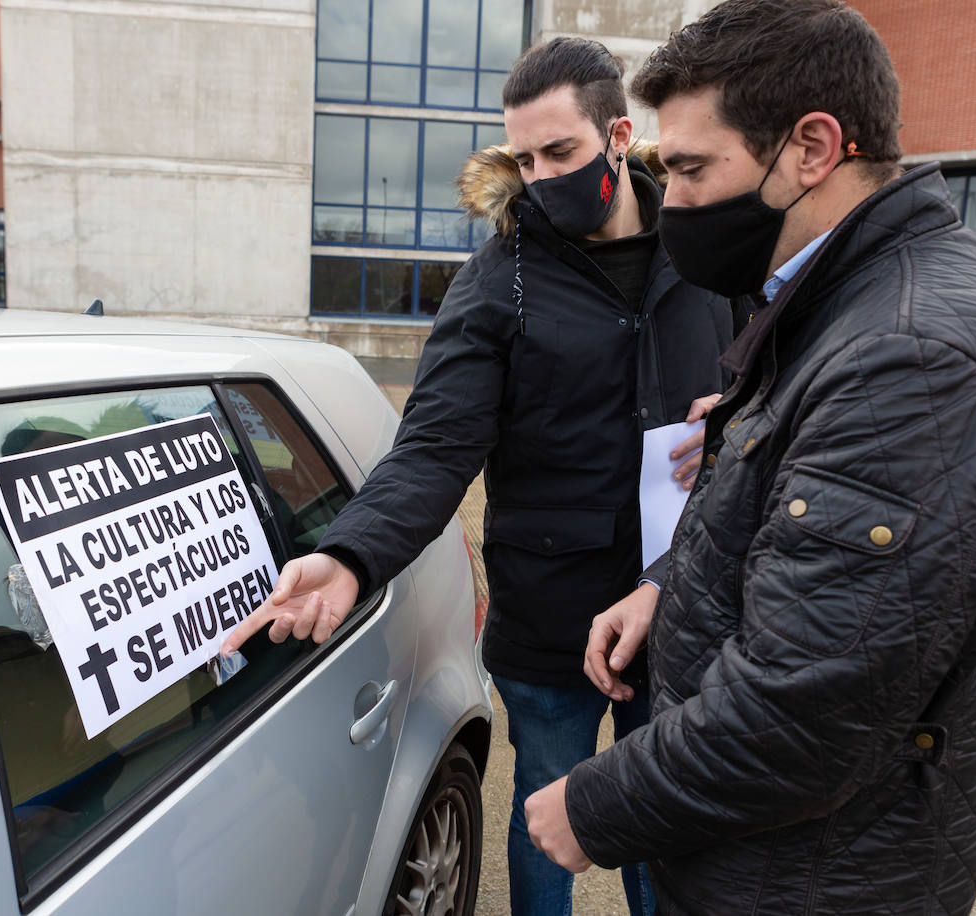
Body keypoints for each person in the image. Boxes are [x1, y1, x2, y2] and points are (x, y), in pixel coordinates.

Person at [521, 2, 976, 913]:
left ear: (813, 148)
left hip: (811, 879)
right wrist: (666, 585)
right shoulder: (846, 304)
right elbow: (796, 539)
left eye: (695, 169)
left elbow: (805, 710)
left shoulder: (913, 361)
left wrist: (596, 805)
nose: (679, 204)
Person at [223, 36, 732, 915]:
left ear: (618, 135)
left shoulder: (705, 251)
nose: (540, 178)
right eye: (524, 158)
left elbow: (779, 362)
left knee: (663, 816)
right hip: (550, 619)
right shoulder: (499, 282)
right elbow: (433, 447)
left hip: (678, 601)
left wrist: (744, 410)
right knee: (549, 805)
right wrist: (349, 556)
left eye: (560, 153)